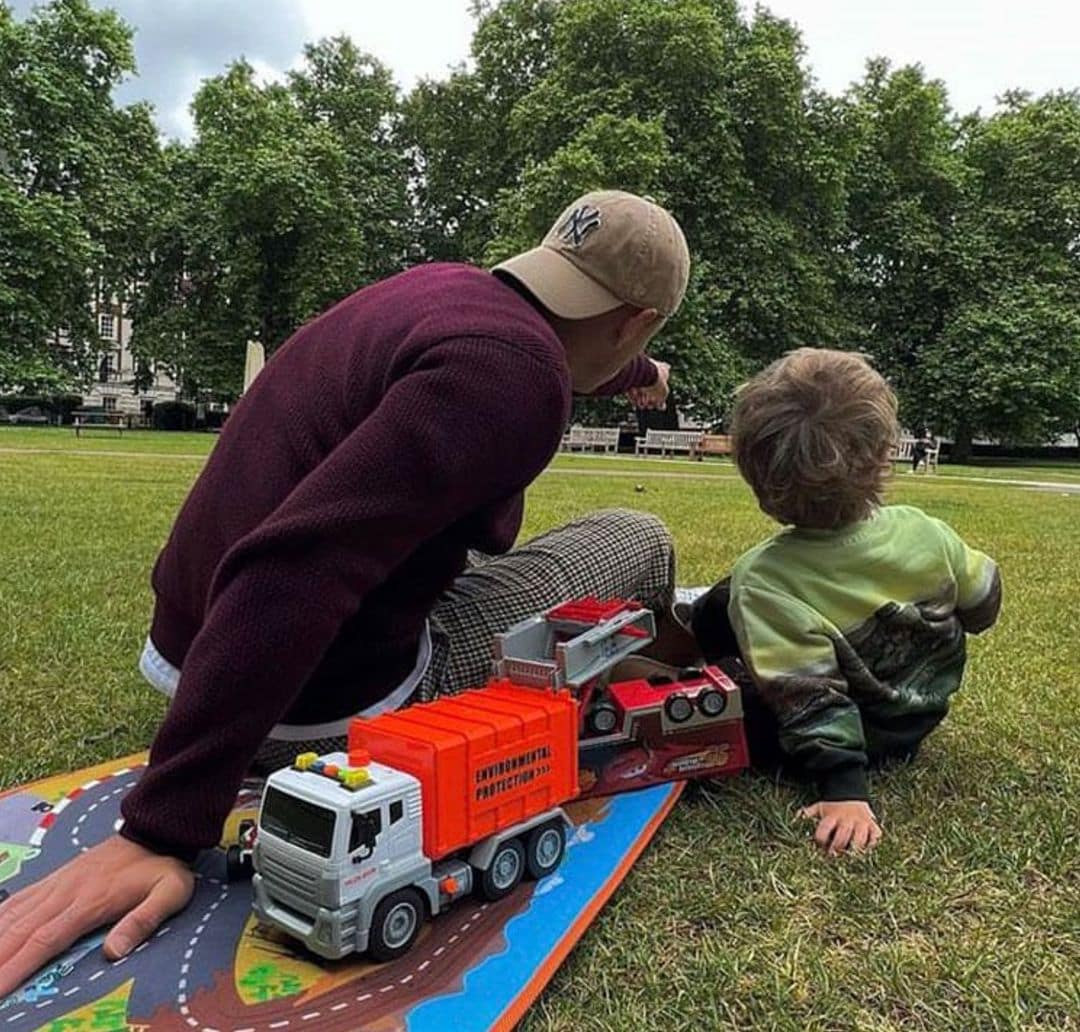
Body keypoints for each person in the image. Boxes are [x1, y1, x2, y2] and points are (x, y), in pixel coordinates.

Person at [0, 190, 690, 996]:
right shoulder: (514, 374)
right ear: (636, 320)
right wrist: (161, 826)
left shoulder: (444, 293)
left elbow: (564, 351)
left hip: (198, 651)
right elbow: (296, 566)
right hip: (313, 700)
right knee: (637, 534)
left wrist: (636, 370)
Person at [684, 349, 1001, 855]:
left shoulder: (764, 579)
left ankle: (696, 637)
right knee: (724, 600)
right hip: (916, 718)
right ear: (883, 454)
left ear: (756, 477)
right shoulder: (926, 533)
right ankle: (708, 620)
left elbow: (807, 695)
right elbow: (985, 602)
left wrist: (844, 790)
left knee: (711, 688)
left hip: (854, 737)